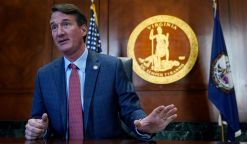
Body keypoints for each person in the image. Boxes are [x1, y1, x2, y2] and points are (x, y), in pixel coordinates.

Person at [25, 3, 178, 141]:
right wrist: (36, 129)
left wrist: (142, 125)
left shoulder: (113, 67)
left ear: (84, 29)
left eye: (66, 24)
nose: (59, 32)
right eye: (54, 27)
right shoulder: (44, 75)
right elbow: (39, 119)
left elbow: (131, 110)